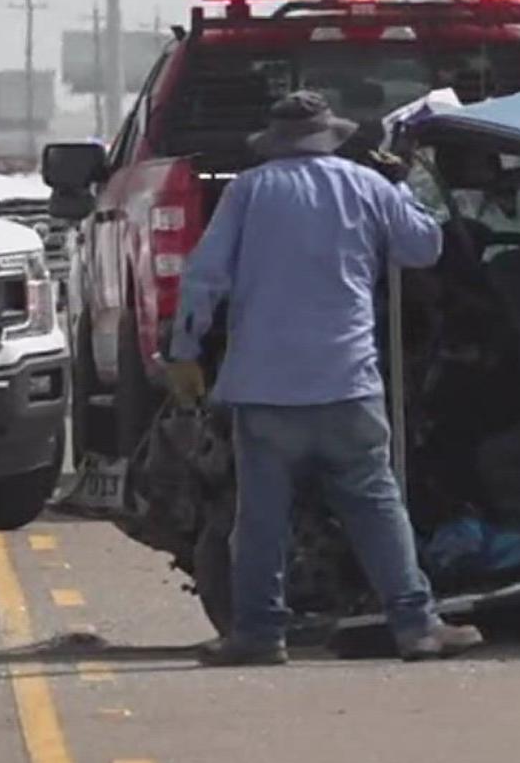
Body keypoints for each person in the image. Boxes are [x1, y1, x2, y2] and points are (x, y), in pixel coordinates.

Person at [168, 90, 485, 667]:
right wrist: (404, 185)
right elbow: (423, 248)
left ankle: (260, 634)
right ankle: (416, 626)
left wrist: (184, 351)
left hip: (264, 390)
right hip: (348, 382)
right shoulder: (366, 186)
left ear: (276, 141)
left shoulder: (248, 191)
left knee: (262, 516)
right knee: (378, 506)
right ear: (330, 135)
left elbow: (203, 277)